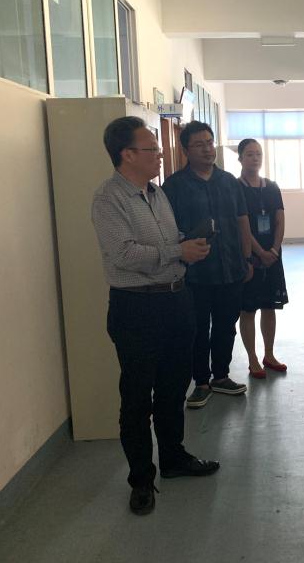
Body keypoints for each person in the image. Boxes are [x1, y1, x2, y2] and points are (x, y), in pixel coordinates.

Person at [91, 116, 220, 515]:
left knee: (172, 388)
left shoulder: (157, 193)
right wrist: (178, 251)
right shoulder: (109, 199)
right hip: (136, 308)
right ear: (127, 154)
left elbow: (166, 241)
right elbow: (123, 254)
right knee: (136, 397)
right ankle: (141, 479)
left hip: (176, 302)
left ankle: (174, 458)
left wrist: (187, 245)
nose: (160, 155)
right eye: (152, 149)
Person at [162, 121, 253, 409]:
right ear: (185, 150)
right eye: (199, 144)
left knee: (226, 326)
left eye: (210, 142)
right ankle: (201, 382)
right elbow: (167, 229)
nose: (207, 149)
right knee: (197, 328)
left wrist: (247, 258)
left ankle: (221, 376)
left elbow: (242, 220)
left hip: (230, 268)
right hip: (194, 273)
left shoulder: (229, 182)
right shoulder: (174, 186)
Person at [235, 139, 289, 379]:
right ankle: (252, 359)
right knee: (248, 309)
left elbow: (280, 220)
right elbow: (241, 227)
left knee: (269, 306)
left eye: (258, 154)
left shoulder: (272, 187)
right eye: (249, 154)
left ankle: (269, 354)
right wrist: (259, 252)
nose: (255, 158)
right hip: (249, 256)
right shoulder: (236, 188)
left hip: (273, 256)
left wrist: (274, 250)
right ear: (240, 158)